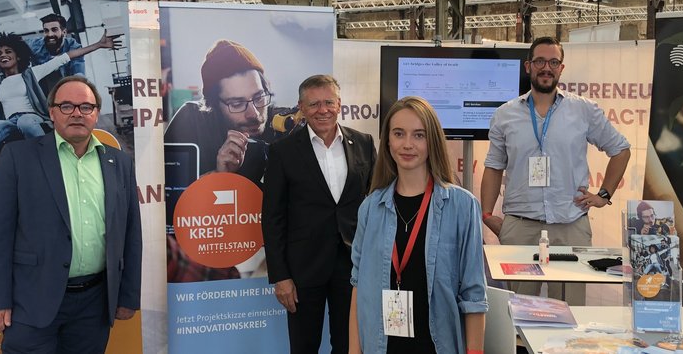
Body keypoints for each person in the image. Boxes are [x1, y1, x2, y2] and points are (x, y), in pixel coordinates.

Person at [0, 76, 142, 352]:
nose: (77, 113)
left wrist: (128, 295)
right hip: (31, 301)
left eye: (86, 107)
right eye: (67, 106)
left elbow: (131, 233)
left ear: (96, 113)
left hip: (95, 304)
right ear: (51, 112)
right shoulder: (19, 157)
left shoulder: (119, 162)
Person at [481, 36, 631, 304]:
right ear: (528, 66)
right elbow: (493, 166)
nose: (546, 68)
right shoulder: (505, 115)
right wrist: (487, 214)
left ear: (561, 68)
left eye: (553, 62)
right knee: (519, 311)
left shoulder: (583, 110)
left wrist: (604, 194)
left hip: (570, 225)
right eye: (539, 61)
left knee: (570, 311)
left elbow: (620, 150)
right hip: (520, 227)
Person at [349, 96, 486, 354]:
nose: (408, 144)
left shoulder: (462, 206)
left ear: (431, 141)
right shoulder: (370, 208)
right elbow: (358, 288)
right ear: (388, 141)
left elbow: (474, 296)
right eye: (399, 134)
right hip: (382, 346)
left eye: (419, 135)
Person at [261, 75, 376, 354]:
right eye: (314, 104)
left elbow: (374, 203)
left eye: (328, 102)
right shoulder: (282, 151)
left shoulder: (363, 143)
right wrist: (280, 277)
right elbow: (272, 218)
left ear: (339, 104)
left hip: (352, 267)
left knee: (350, 345)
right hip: (302, 270)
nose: (322, 110)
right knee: (304, 346)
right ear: (301, 106)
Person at [0, 31, 119, 195]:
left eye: (8, 51)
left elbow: (65, 57)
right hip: (10, 123)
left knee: (25, 121)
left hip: (33, 118)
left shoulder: (32, 73)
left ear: (18, 55)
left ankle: (57, 167)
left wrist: (98, 45)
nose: (3, 55)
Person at [165, 39, 272, 186]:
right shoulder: (190, 121)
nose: (254, 114)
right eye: (237, 104)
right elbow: (168, 194)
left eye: (258, 97)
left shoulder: (282, 121)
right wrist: (218, 175)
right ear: (213, 105)